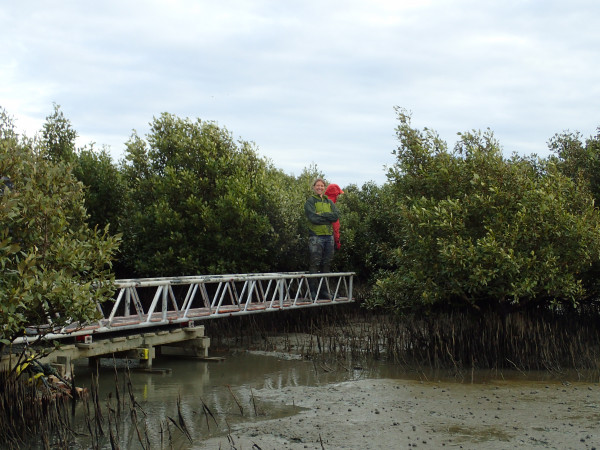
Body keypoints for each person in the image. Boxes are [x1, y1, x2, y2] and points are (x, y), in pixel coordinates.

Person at [304, 177, 339, 299]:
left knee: (326, 264)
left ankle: (324, 291)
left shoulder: (329, 202)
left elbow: (335, 216)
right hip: (316, 237)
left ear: (324, 188)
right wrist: (327, 218)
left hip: (329, 237)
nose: (320, 187)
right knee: (315, 263)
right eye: (317, 185)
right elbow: (313, 218)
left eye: (322, 186)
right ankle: (312, 292)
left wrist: (322, 215)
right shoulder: (310, 202)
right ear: (314, 187)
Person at [324, 183, 344, 250]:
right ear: (335, 195)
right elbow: (335, 228)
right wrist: (337, 243)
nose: (338, 197)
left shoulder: (321, 203)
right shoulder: (332, 208)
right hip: (327, 242)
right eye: (338, 194)